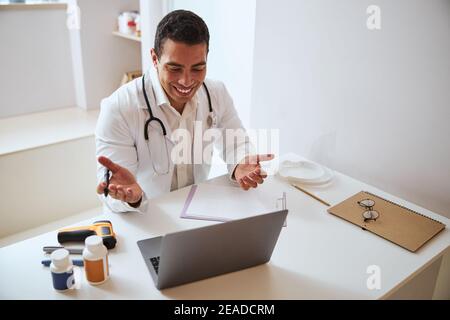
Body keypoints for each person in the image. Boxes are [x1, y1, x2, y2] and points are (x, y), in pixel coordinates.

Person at [95, 10, 274, 213]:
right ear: (155, 58)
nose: (186, 81)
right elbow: (116, 190)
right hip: (144, 215)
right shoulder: (119, 108)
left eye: (197, 68)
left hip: (195, 211)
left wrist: (241, 162)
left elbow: (237, 142)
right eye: (175, 68)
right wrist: (131, 197)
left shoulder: (216, 93)